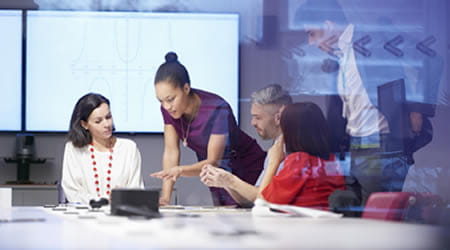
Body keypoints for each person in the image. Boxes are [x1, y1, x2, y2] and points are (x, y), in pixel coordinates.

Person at [293, 0, 437, 215]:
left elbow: (430, 57)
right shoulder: (339, 56)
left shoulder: (373, 39)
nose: (311, 42)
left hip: (383, 142)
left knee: (375, 217)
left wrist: (418, 109)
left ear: (329, 26)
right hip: (356, 146)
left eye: (312, 33)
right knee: (352, 214)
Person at [150, 52, 265, 206]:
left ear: (186, 88)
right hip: (215, 173)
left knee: (251, 217)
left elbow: (213, 161)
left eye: (170, 99)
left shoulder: (216, 108)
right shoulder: (168, 109)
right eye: (161, 101)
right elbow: (171, 151)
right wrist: (165, 197)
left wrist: (180, 170)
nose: (166, 106)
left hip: (244, 166)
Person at [200, 84, 292, 207]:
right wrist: (224, 182)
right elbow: (252, 199)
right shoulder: (275, 148)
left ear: (278, 117)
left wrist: (230, 180)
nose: (253, 123)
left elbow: (262, 198)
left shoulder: (287, 150)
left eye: (258, 118)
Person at [258, 102, 345, 209]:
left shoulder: (299, 161)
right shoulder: (331, 161)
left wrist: (273, 162)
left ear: (290, 132)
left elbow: (262, 202)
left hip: (298, 224)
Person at [61, 93, 144, 204]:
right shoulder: (73, 149)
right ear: (84, 124)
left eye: (108, 117)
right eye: (98, 121)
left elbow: (136, 190)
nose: (106, 124)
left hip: (121, 217)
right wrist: (103, 201)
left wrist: (122, 198)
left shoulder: (129, 148)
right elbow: (72, 192)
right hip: (84, 218)